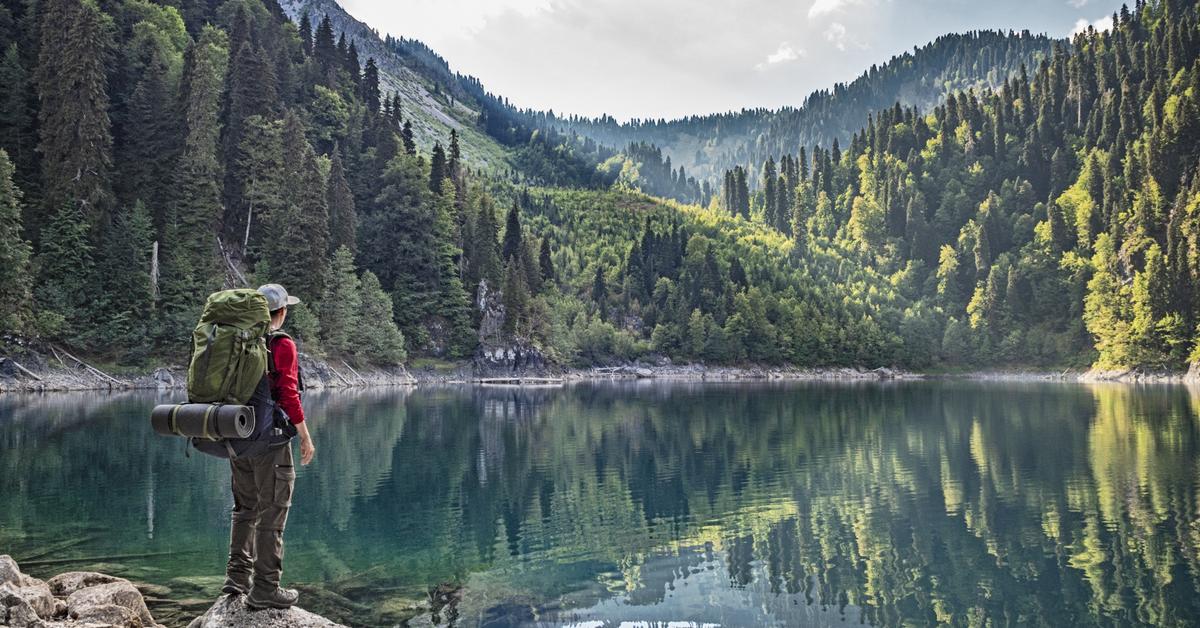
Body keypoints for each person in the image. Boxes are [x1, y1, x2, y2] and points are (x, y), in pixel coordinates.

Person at [221, 283, 317, 610]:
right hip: (271, 441)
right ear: (282, 312)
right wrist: (305, 435)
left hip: (237, 435)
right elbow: (288, 394)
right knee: (272, 512)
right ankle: (265, 588)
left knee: (244, 508)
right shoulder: (281, 344)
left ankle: (236, 579)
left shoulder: (238, 340)